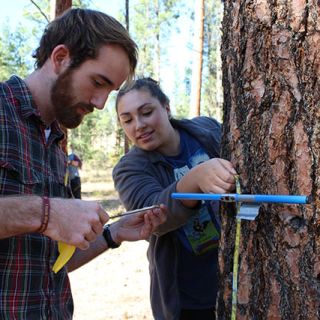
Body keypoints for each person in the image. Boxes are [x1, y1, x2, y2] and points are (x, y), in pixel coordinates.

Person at [0, 9, 167, 319]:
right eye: (98, 82)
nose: (101, 103)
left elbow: (50, 265)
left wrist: (112, 233)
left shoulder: (56, 144)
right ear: (61, 58)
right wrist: (45, 213)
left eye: (110, 91)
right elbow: (45, 216)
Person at [113, 78, 237, 320]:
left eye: (146, 112)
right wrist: (195, 179)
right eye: (127, 120)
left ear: (166, 107)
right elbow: (151, 217)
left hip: (242, 278)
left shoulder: (207, 130)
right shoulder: (128, 169)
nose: (138, 125)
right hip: (190, 297)